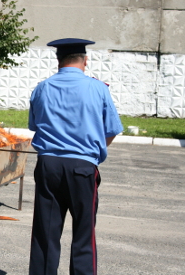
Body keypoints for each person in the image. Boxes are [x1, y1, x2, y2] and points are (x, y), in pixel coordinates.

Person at [28, 38, 123, 275]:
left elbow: (34, 125)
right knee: (83, 233)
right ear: (85, 60)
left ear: (58, 60)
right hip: (82, 167)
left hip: (48, 165)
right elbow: (110, 130)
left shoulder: (42, 88)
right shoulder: (98, 88)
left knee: (45, 233)